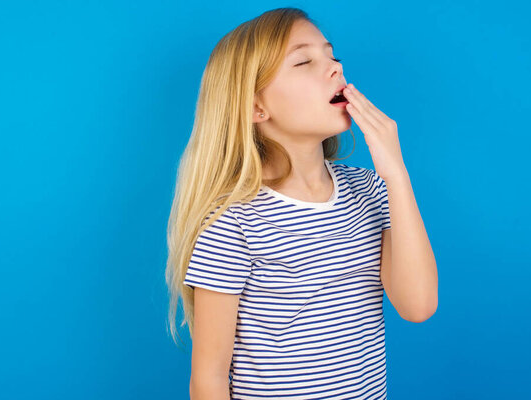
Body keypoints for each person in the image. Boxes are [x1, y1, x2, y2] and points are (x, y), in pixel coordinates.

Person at [165, 7, 438, 400]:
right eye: (305, 61)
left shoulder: (370, 190)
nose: (335, 69)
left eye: (333, 56)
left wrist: (396, 175)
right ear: (256, 107)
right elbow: (208, 379)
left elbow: (418, 306)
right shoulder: (232, 222)